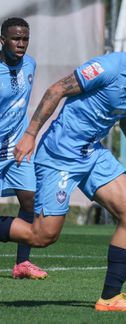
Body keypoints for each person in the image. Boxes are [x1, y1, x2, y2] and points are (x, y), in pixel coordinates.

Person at [0, 19, 126, 313]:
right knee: (43, 236)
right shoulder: (108, 67)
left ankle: (110, 298)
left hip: (92, 155)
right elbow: (57, 89)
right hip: (59, 156)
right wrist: (30, 135)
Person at [0, 17, 48, 280]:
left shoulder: (30, 64)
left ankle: (22, 263)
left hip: (17, 149)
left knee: (30, 198)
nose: (21, 44)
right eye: (16, 38)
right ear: (2, 40)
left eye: (25, 38)